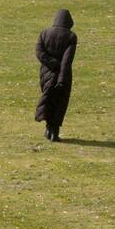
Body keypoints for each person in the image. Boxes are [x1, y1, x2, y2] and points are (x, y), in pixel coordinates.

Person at [34, 9, 77, 142]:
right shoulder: (71, 36)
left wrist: (51, 64)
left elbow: (39, 52)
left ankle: (48, 128)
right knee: (60, 102)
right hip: (63, 74)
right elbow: (67, 60)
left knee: (49, 99)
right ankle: (54, 131)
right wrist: (61, 76)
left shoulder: (44, 33)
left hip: (46, 73)